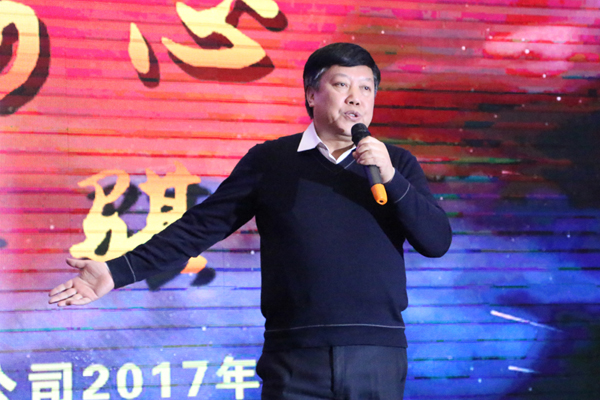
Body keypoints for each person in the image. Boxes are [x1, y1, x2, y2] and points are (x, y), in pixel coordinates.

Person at [49, 42, 452, 399]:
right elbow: (199, 227)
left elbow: (436, 241)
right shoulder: (270, 161)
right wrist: (116, 270)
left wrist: (392, 179)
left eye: (366, 88)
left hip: (376, 354)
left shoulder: (395, 163)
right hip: (294, 356)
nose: (356, 98)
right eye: (342, 84)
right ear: (311, 94)